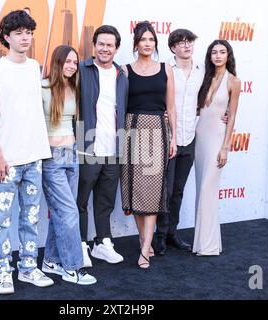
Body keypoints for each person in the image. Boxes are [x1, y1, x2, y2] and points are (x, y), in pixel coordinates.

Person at [0, 10, 54, 295]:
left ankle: (28, 267)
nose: (26, 37)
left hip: (34, 158)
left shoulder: (35, 67)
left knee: (31, 218)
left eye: (29, 32)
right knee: (1, 220)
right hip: (5, 161)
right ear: (6, 37)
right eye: (19, 32)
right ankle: (3, 271)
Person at [121, 21, 177, 269]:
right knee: (134, 188)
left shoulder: (166, 69)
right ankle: (145, 239)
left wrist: (174, 136)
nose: (147, 43)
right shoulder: (124, 70)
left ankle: (144, 248)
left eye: (151, 39)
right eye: (143, 39)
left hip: (157, 130)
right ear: (136, 43)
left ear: (155, 43)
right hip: (131, 128)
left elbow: (171, 107)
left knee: (153, 189)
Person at [40, 45, 96, 285]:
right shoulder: (42, 88)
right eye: (68, 62)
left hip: (72, 154)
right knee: (69, 212)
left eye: (75, 62)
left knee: (63, 213)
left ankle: (50, 260)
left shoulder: (74, 86)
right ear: (58, 62)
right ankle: (72, 267)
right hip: (51, 157)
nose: (72, 66)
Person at [76, 25, 128, 267]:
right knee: (81, 201)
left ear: (116, 49)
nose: (105, 48)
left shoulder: (122, 75)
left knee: (106, 200)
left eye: (110, 45)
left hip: (114, 148)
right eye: (101, 44)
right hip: (87, 146)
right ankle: (81, 245)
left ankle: (102, 242)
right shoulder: (80, 70)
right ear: (94, 46)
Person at [153, 29, 203, 255]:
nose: (186, 46)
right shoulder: (164, 69)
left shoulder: (202, 71)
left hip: (190, 137)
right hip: (169, 137)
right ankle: (160, 236)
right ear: (173, 48)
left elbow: (208, 98)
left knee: (179, 190)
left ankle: (172, 233)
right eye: (181, 43)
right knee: (166, 190)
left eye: (189, 42)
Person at [193, 39, 241, 256]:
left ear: (228, 55)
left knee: (207, 189)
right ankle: (201, 244)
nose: (218, 55)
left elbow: (231, 116)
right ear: (210, 56)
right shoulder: (204, 78)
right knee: (201, 191)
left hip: (217, 140)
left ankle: (210, 246)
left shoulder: (234, 81)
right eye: (214, 52)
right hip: (200, 138)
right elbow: (196, 109)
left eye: (222, 52)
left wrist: (225, 147)